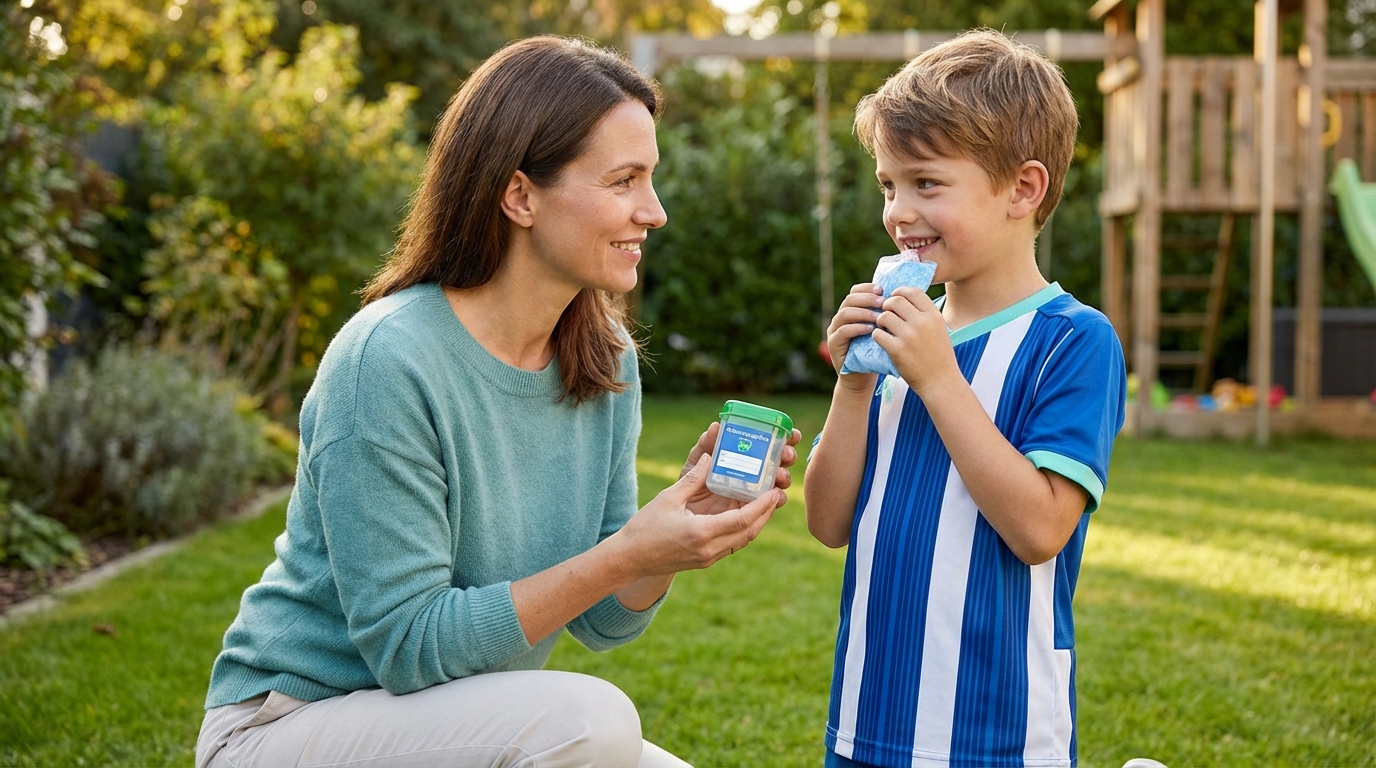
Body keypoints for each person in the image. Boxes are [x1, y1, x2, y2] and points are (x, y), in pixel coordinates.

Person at [195, 35, 800, 768]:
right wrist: (623, 555)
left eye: (652, 179)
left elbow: (608, 619)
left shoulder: (602, 363)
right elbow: (409, 646)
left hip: (443, 722)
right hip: (287, 727)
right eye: (624, 181)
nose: (655, 212)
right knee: (590, 720)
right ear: (519, 195)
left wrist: (666, 542)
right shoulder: (388, 359)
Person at [804, 30, 1127, 768]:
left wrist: (939, 380)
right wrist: (853, 384)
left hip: (996, 732)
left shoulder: (1073, 340)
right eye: (889, 185)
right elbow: (827, 522)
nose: (898, 212)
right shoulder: (899, 336)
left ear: (1022, 189)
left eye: (926, 184)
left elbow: (1041, 528)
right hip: (866, 718)